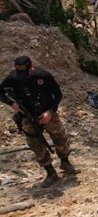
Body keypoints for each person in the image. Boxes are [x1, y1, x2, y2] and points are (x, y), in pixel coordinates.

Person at [0, 56, 80, 188]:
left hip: (47, 113)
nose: (23, 76)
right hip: (27, 115)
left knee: (60, 137)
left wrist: (50, 111)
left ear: (31, 67)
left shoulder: (43, 76)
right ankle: (50, 172)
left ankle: (65, 162)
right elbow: (0, 92)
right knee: (35, 144)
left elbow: (57, 94)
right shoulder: (14, 78)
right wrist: (12, 103)